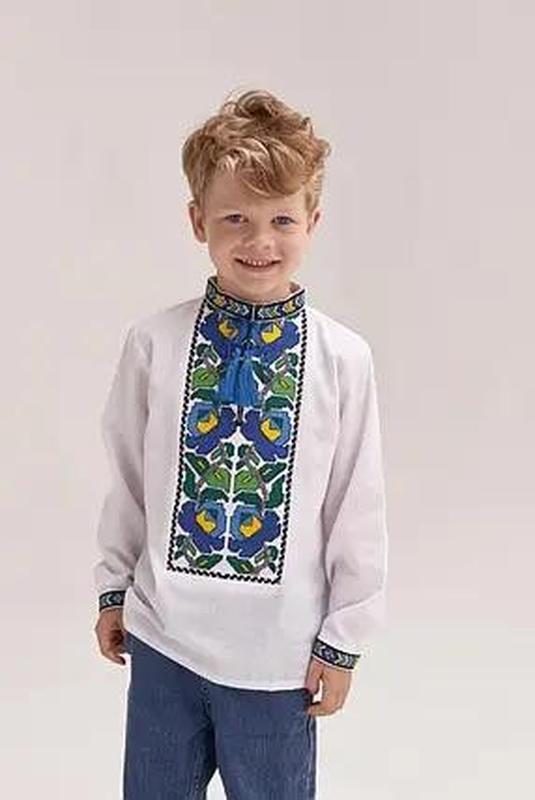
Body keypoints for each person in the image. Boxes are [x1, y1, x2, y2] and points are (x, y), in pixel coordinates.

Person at [93, 88, 388, 799]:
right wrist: (112, 587)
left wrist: (343, 638)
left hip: (276, 663)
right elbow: (129, 476)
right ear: (198, 221)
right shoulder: (154, 343)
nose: (260, 241)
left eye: (281, 219)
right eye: (235, 219)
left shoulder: (342, 360)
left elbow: (356, 504)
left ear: (312, 221)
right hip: (162, 645)